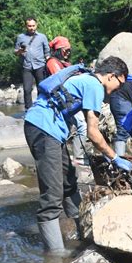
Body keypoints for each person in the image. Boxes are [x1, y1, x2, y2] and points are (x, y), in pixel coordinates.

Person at [24, 56, 132, 254]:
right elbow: (93, 133)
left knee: (68, 181)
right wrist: (115, 157)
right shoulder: (95, 86)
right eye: (119, 83)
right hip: (43, 128)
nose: (119, 89)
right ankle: (56, 255)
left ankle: (81, 231)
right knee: (52, 192)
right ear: (111, 76)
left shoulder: (86, 79)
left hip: (49, 130)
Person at [46, 36, 88, 166]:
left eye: (69, 50)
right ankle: (78, 158)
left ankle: (66, 158)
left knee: (68, 128)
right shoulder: (52, 62)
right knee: (82, 125)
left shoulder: (64, 63)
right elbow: (61, 80)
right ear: (58, 50)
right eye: (65, 50)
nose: (68, 53)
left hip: (68, 99)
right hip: (61, 101)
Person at [14, 17, 50, 111]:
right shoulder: (20, 37)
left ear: (36, 25)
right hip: (27, 66)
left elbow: (47, 52)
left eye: (33, 25)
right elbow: (16, 52)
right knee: (27, 89)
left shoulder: (42, 37)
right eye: (29, 26)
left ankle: (41, 109)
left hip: (40, 65)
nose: (31, 28)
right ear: (26, 26)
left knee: (41, 88)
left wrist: (48, 62)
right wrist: (20, 51)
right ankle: (28, 110)